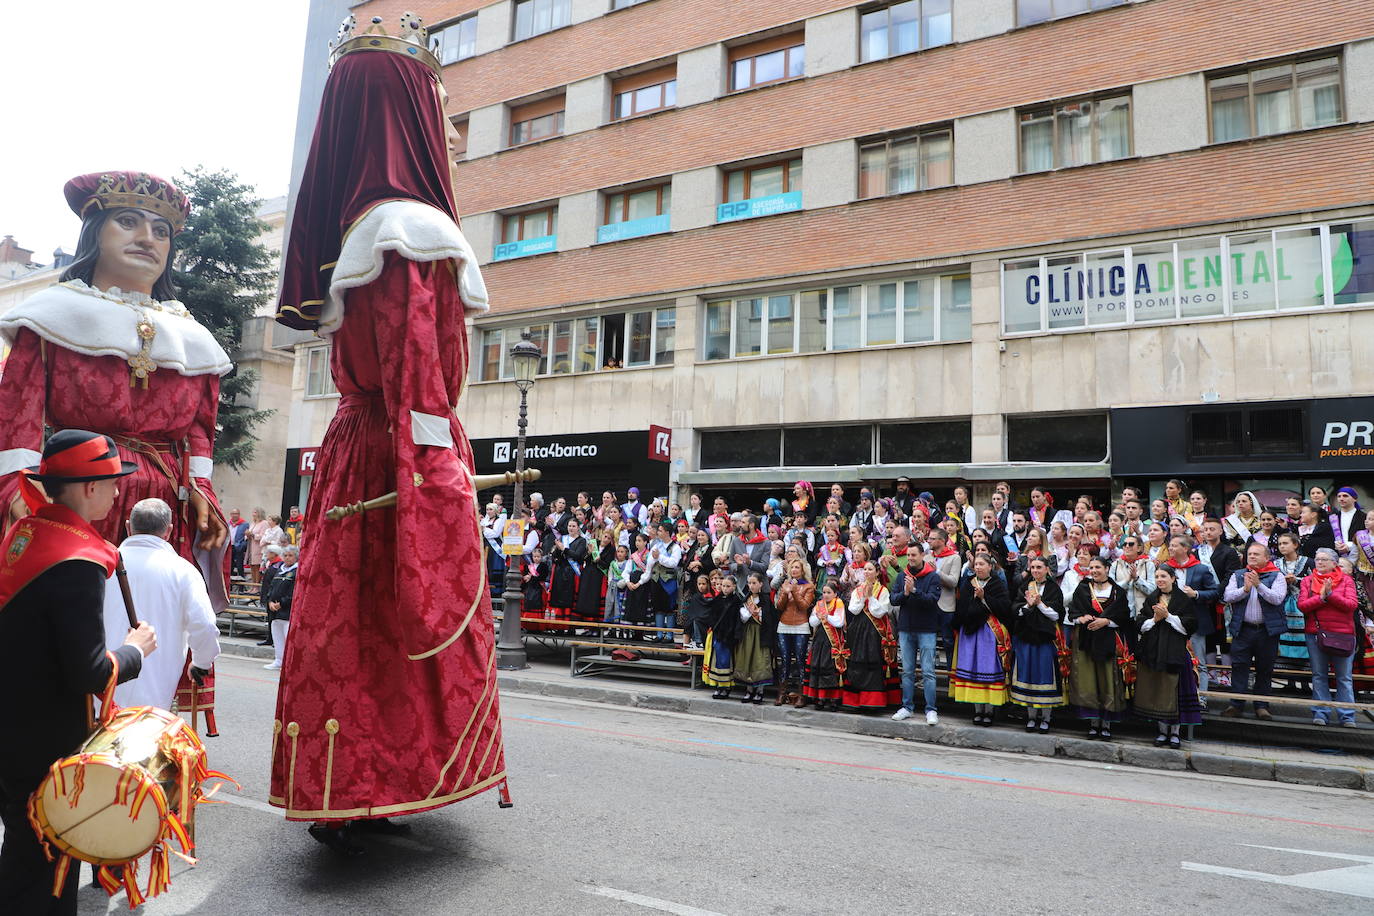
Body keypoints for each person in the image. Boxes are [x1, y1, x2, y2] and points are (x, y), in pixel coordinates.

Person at [270, 16, 508, 852]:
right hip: (397, 454)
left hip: (356, 453)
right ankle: (374, 787)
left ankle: (358, 787)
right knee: (390, 621)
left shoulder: (357, 229)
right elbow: (418, 384)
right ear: (404, 113)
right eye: (442, 112)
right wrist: (435, 478)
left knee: (357, 623)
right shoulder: (410, 230)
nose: (451, 132)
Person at [0, 173, 231, 605]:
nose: (147, 238)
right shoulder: (51, 316)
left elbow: (200, 432)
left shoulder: (193, 337)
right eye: (127, 222)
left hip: (163, 500)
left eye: (160, 231)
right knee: (76, 620)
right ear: (95, 233)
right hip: (78, 494)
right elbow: (17, 417)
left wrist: (202, 491)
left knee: (151, 619)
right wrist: (18, 488)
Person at [0, 429, 156, 911]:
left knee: (23, 859)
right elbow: (87, 672)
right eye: (112, 482)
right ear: (89, 487)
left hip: (12, 728)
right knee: (46, 875)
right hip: (44, 741)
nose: (117, 492)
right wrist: (134, 650)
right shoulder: (78, 559)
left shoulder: (27, 533)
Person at [101, 497, 220, 706]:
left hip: (99, 688)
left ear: (128, 527)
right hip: (152, 699)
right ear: (169, 531)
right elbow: (205, 625)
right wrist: (201, 662)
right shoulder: (184, 571)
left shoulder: (101, 564)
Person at [1133, 566, 1203, 748]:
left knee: (1174, 691)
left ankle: (1175, 733)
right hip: (1154, 651)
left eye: (1163, 576)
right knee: (1159, 692)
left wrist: (1169, 616)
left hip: (1175, 651)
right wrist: (1155, 620)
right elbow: (1140, 623)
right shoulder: (1152, 598)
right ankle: (1162, 732)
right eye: (1157, 576)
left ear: (1173, 578)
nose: (1159, 579)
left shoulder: (1183, 600)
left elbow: (1190, 626)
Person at [1220, 541, 1288, 720]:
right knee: (1239, 666)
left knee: (1264, 669)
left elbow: (1277, 599)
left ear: (1266, 557)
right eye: (1250, 554)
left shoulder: (1276, 575)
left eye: (1256, 554)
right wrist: (1245, 589)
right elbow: (1227, 596)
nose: (1251, 557)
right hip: (1243, 630)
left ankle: (1261, 706)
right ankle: (1236, 704)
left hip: (1267, 631)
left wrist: (1259, 585)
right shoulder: (1239, 575)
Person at [1067, 556, 1131, 739]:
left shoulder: (1118, 592)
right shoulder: (1082, 589)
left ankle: (1106, 723)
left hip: (1108, 640)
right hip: (1086, 639)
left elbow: (1124, 615)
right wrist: (1081, 618)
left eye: (1098, 567)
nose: (1094, 570)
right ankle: (1093, 723)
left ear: (1107, 568)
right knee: (1089, 680)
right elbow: (1073, 610)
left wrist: (1107, 621)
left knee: (1106, 679)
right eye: (1091, 567)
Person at [1297, 548, 1359, 727]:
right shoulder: (1308, 581)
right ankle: (1320, 713)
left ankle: (1347, 716)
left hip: (1343, 634)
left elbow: (1351, 605)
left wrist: (1330, 595)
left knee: (1344, 677)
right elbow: (1303, 605)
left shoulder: (1346, 580)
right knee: (1319, 675)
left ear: (1334, 563)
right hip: (1316, 633)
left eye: (1324, 559)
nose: (1320, 562)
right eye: (1317, 559)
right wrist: (1321, 598)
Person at [951, 553, 1014, 725]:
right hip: (971, 631)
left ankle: (989, 710)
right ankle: (978, 710)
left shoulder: (997, 583)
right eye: (976, 564)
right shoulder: (967, 583)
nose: (978, 567)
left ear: (990, 566)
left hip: (988, 632)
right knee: (972, 668)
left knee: (987, 668)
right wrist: (973, 602)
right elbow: (961, 606)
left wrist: (984, 598)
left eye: (981, 564)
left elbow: (1004, 607)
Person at [889, 541, 944, 725]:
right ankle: (907, 707)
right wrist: (905, 593)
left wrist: (914, 590)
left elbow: (931, 600)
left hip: (926, 629)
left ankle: (931, 709)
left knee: (928, 671)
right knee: (907, 671)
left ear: (922, 555)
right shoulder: (902, 576)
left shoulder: (933, 577)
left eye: (914, 555)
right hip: (905, 629)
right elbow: (894, 599)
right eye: (909, 555)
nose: (911, 559)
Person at [1010, 555, 1067, 731]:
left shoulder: (1053, 589)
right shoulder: (1025, 586)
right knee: (1028, 675)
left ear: (1047, 569)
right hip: (1026, 636)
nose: (1035, 570)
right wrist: (1028, 606)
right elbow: (1016, 611)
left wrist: (1039, 603)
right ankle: (1031, 717)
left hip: (1045, 638)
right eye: (1033, 567)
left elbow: (1057, 615)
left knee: (1044, 675)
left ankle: (1046, 718)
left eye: (1039, 567)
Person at [1163, 534, 1220, 691]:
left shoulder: (1201, 568)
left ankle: (1201, 698)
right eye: (1170, 545)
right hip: (1171, 621)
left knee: (1198, 662)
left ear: (1185, 548)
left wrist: (1196, 594)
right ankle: (1174, 698)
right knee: (1170, 660)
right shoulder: (1166, 568)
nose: (1170, 548)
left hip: (1195, 622)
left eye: (1174, 545)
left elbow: (1215, 592)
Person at [843, 562, 899, 709]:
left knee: (873, 661)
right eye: (865, 569)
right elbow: (853, 610)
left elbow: (880, 612)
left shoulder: (883, 591)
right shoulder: (857, 590)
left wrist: (871, 597)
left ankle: (872, 701)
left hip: (876, 632)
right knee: (858, 660)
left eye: (870, 569)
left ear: (877, 572)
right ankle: (855, 700)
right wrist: (863, 598)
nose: (867, 572)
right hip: (859, 630)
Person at [773, 558, 815, 706]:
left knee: (800, 660)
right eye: (792, 567)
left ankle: (802, 695)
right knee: (784, 661)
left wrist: (795, 590)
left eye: (797, 567)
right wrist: (784, 593)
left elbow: (804, 606)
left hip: (801, 626)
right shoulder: (786, 584)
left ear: (803, 570)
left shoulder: (809, 586)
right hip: (784, 625)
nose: (794, 570)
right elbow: (779, 606)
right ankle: (782, 693)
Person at [733, 572, 777, 704]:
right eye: (750, 583)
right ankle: (749, 690)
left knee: (760, 661)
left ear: (761, 584)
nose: (751, 586)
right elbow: (741, 618)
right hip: (747, 633)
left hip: (761, 635)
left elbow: (770, 619)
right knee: (747, 660)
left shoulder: (766, 600)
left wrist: (760, 614)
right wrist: (748, 613)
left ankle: (760, 691)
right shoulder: (745, 599)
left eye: (754, 583)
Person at [804, 582, 848, 711]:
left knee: (830, 667)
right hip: (820, 639)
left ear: (835, 594)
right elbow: (812, 622)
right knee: (818, 666)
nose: (826, 595)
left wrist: (827, 616)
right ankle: (820, 698)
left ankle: (833, 699)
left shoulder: (839, 603)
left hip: (833, 640)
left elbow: (839, 622)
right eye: (824, 592)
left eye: (829, 592)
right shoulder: (819, 605)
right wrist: (818, 617)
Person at [1275, 532, 1312, 664]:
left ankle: (1304, 681)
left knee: (1303, 639)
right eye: (1280, 544)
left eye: (1285, 543)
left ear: (1295, 545)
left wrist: (1296, 580)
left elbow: (1314, 582)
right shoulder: (1275, 564)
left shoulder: (1308, 562)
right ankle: (1287, 676)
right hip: (1282, 606)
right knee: (1284, 637)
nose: (1282, 546)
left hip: (1302, 606)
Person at [703, 574, 741, 699]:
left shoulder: (736, 601)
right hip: (717, 634)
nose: (725, 588)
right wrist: (713, 626)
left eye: (728, 586)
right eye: (723, 586)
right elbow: (712, 615)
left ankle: (726, 686)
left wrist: (733, 634)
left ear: (734, 586)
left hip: (728, 636)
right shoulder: (718, 599)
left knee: (725, 661)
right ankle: (718, 685)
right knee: (716, 660)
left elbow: (736, 620)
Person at [263, 545, 299, 670]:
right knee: (277, 637)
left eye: (290, 555)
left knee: (288, 638)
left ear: (296, 557)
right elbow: (271, 588)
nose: (287, 558)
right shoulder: (279, 570)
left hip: (287, 611)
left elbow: (294, 592)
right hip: (274, 611)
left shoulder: (296, 571)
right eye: (285, 555)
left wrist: (282, 603)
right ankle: (279, 660)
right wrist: (270, 601)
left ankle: (289, 663)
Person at [547, 519, 588, 623]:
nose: (571, 528)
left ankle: (571, 626)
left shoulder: (581, 541)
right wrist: (556, 550)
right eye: (570, 526)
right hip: (560, 571)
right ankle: (559, 625)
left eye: (574, 526)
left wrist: (564, 549)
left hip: (572, 573)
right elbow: (555, 555)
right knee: (559, 597)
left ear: (578, 527)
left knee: (570, 598)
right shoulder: (563, 538)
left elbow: (578, 556)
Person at [680, 574, 717, 650]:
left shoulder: (712, 597)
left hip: (707, 621)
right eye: (699, 584)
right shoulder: (696, 596)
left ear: (708, 584)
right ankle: (686, 645)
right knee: (689, 622)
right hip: (696, 619)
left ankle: (699, 642)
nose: (701, 586)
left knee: (697, 620)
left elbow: (710, 611)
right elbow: (693, 611)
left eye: (703, 584)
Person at [1331, 487, 1366, 559]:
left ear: (1354, 499)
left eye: (1345, 496)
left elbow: (1367, 536)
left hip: (1359, 555)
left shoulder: (1363, 517)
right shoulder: (1333, 517)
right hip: (1337, 555)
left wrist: (1349, 546)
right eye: (1339, 496)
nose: (1341, 499)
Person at [229, 508, 250, 577]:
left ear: (239, 515)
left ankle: (241, 585)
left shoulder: (244, 524)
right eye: (233, 514)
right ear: (230, 515)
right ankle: (230, 585)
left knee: (239, 565)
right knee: (230, 565)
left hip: (238, 547)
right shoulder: (228, 523)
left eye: (236, 514)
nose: (235, 515)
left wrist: (242, 545)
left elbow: (246, 537)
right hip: (230, 547)